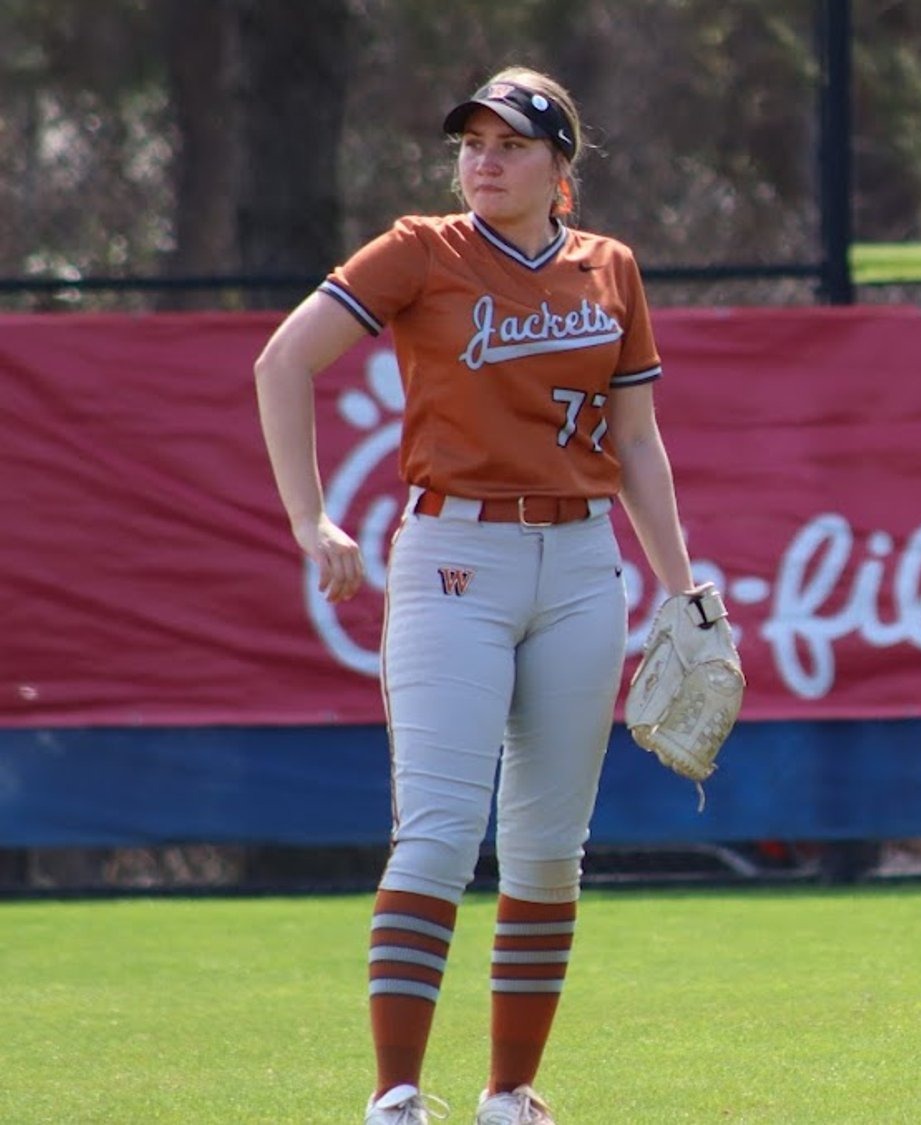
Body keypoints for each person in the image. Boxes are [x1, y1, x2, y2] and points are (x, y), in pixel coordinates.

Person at [254, 68, 704, 1125]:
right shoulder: (423, 248)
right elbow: (284, 361)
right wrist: (307, 518)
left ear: (560, 169)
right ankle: (397, 1096)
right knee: (442, 832)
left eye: (508, 144)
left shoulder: (610, 269)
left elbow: (636, 444)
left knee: (550, 846)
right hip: (455, 557)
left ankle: (509, 1095)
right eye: (470, 142)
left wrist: (683, 587)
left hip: (583, 563)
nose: (482, 160)